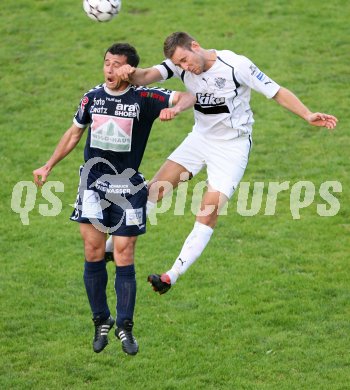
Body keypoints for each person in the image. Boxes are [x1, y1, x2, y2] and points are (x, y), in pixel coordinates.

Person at [105, 32, 338, 295]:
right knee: (153, 191)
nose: (184, 67)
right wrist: (129, 72)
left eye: (185, 60)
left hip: (232, 148)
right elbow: (146, 77)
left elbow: (276, 92)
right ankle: (111, 247)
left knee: (207, 211)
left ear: (195, 46)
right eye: (178, 64)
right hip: (200, 139)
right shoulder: (177, 64)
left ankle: (171, 275)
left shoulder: (236, 66)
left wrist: (307, 114)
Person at [33, 43, 196, 355]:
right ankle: (100, 320)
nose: (109, 69)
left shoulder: (145, 96)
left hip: (129, 189)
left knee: (124, 253)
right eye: (106, 63)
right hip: (93, 185)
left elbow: (189, 96)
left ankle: (125, 325)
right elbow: (73, 134)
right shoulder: (92, 97)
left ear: (129, 69)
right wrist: (48, 164)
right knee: (93, 251)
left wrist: (176, 108)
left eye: (117, 64)